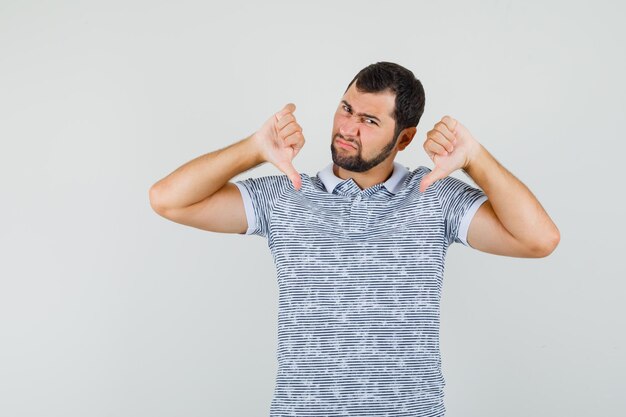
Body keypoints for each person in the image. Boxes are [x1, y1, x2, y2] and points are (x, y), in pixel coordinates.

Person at [149, 61, 560, 417]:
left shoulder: (433, 197)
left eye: (370, 120)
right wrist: (253, 149)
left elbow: (538, 240)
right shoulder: (286, 195)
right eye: (347, 109)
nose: (347, 128)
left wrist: (475, 158)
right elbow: (168, 200)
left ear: (404, 138)